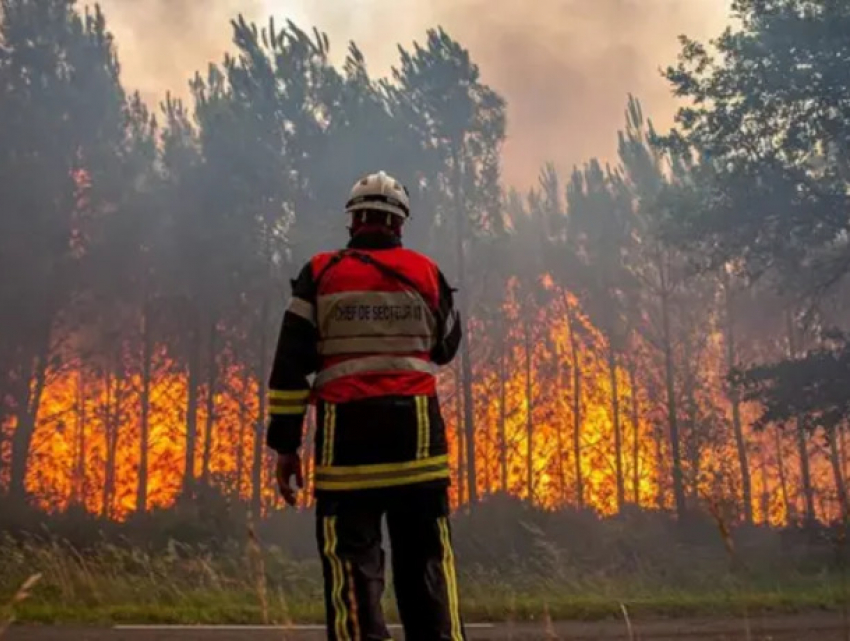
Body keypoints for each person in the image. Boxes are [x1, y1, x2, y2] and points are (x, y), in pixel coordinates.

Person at [266, 170, 467, 641]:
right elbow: (446, 347)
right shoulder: (427, 272)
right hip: (418, 450)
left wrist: (286, 447)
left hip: (347, 453)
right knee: (427, 567)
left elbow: (288, 372)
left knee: (352, 571)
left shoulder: (320, 274)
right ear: (401, 223)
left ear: (352, 221)